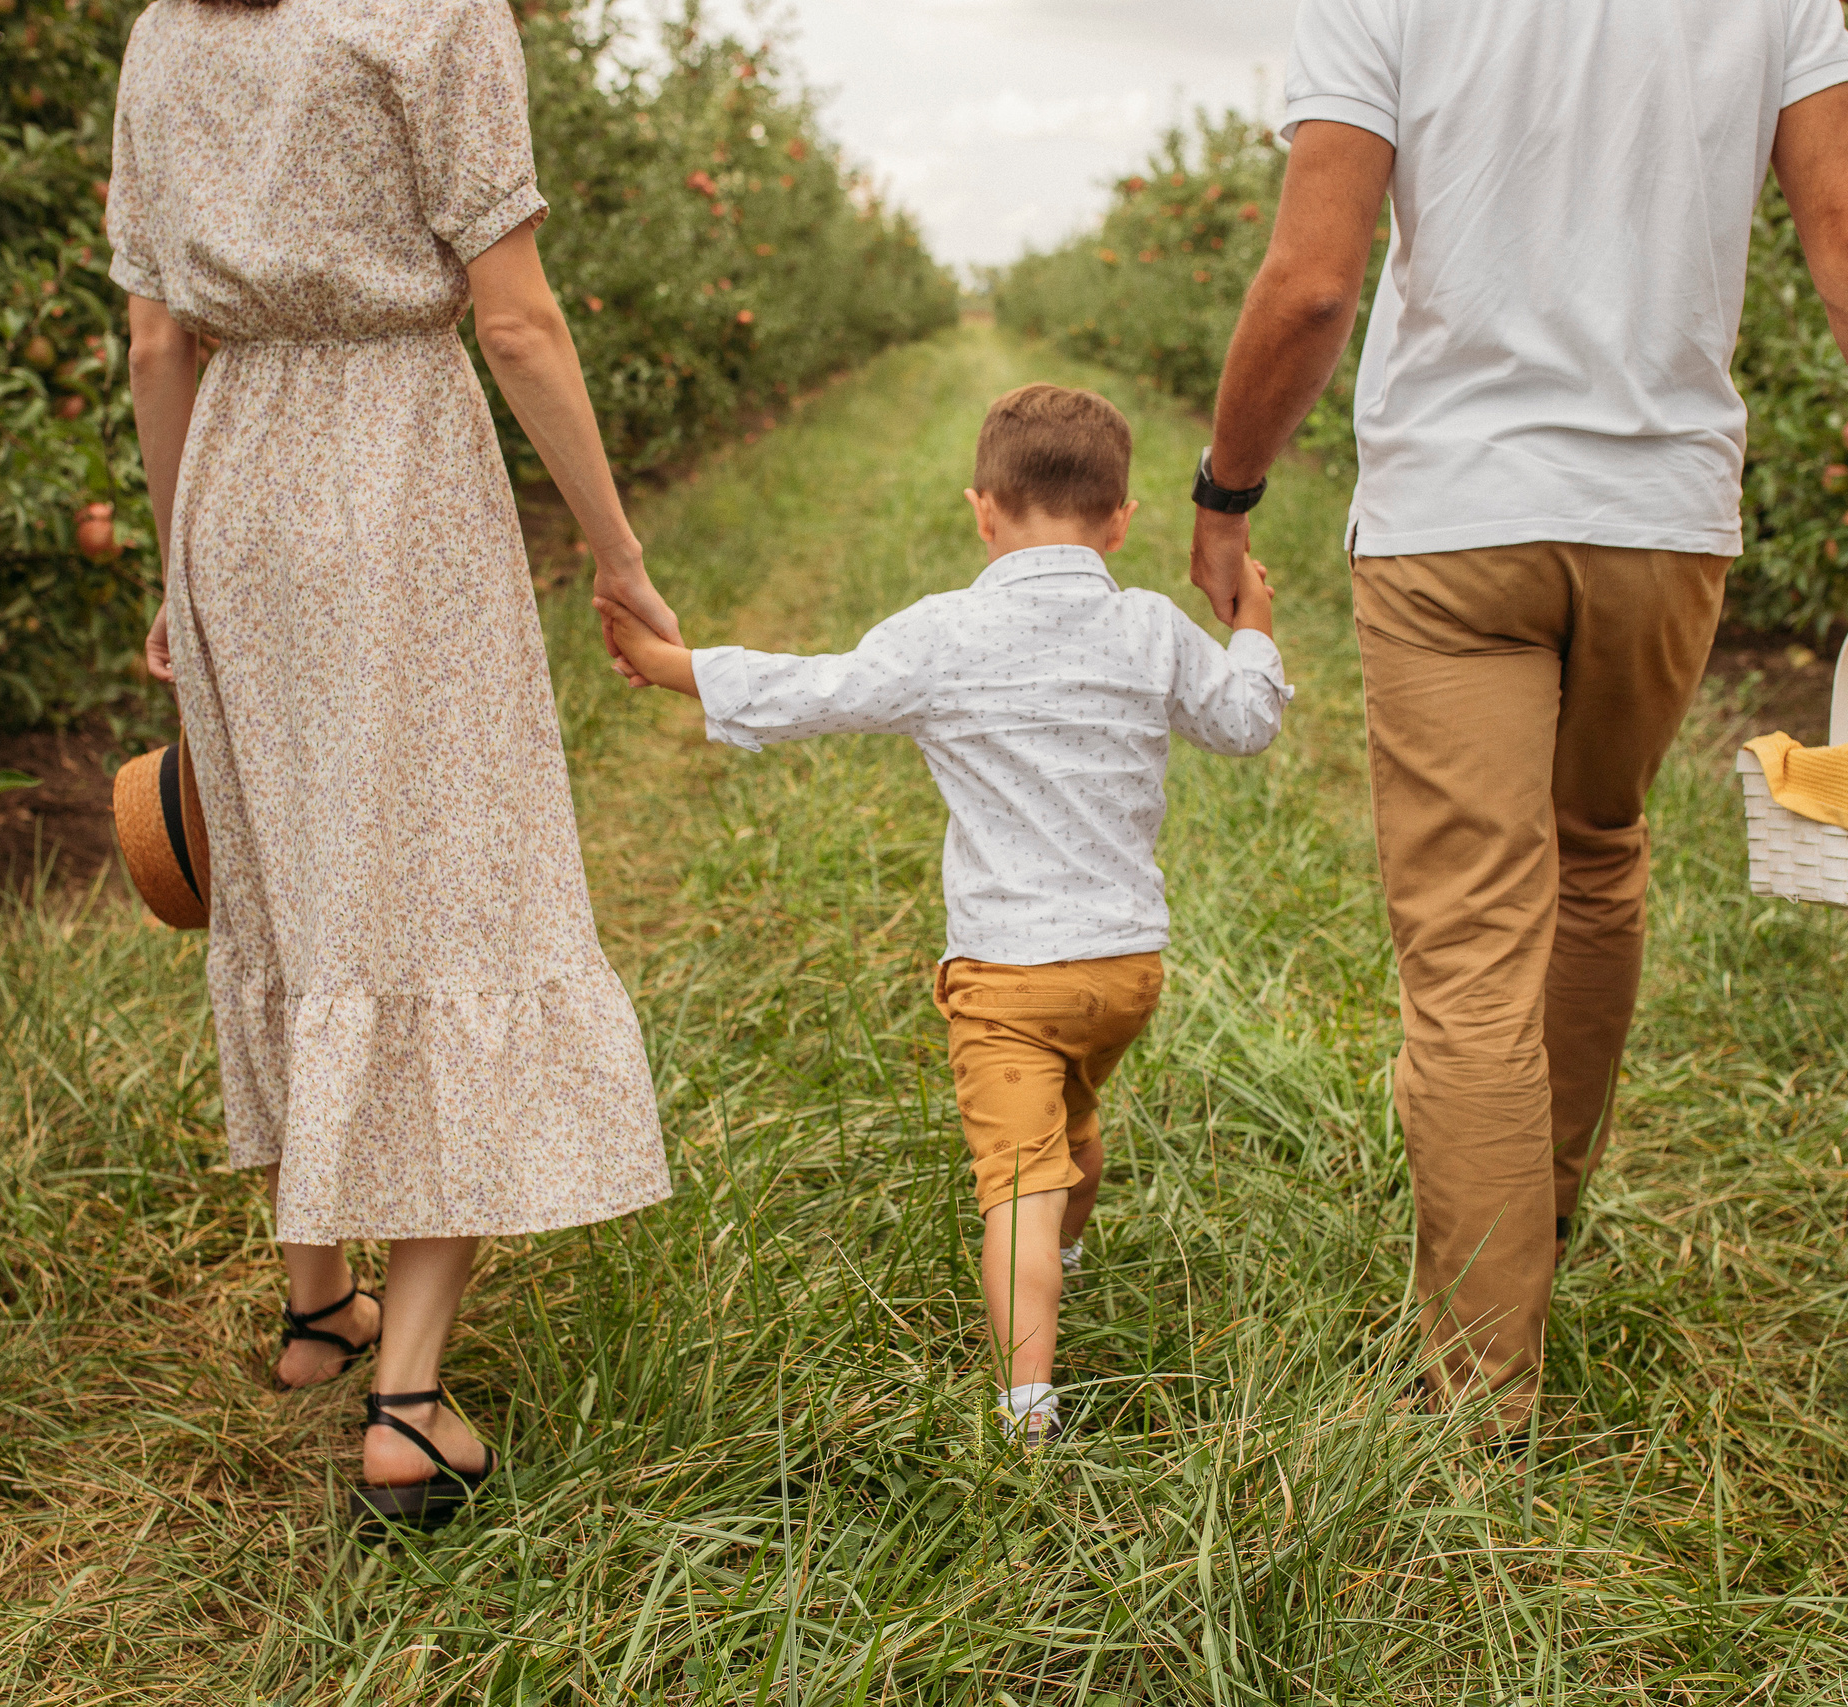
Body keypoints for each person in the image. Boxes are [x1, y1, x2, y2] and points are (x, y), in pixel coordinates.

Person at [1188, 0, 1848, 1438]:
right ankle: (1534, 1225)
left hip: (1455, 515)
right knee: (1600, 848)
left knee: (1472, 943)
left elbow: (1315, 280)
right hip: (1660, 518)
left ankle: (1481, 1390)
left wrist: (1228, 490)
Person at [107, 0, 676, 1529]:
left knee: (292, 877)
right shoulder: (431, 12)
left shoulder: (166, 30)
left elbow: (161, 335)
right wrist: (617, 555)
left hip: (233, 481)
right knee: (439, 893)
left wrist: (181, 565)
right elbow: (516, 318)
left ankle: (319, 1305)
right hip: (398, 476)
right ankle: (410, 1407)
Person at [595, 385, 1291, 1440]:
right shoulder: (1150, 628)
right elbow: (1243, 726)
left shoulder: (944, 634)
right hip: (1123, 976)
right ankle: (1061, 1253)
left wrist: (675, 670)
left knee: (1014, 1180)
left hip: (1008, 977)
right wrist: (1253, 633)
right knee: (1073, 1122)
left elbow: (815, 691)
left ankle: (1025, 1404)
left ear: (982, 511)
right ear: (1119, 522)